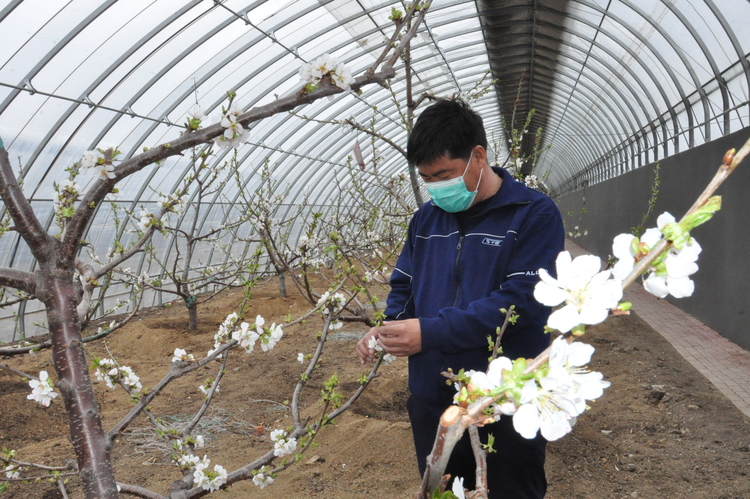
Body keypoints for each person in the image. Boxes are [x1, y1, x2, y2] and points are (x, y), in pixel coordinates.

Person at [356, 98, 564, 498]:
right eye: (427, 178)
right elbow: (404, 284)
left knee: (509, 491)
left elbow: (522, 302)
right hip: (435, 401)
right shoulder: (426, 219)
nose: (436, 187)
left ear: (478, 157)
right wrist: (389, 329)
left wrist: (430, 333)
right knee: (444, 490)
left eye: (445, 174)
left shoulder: (532, 215)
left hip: (505, 399)